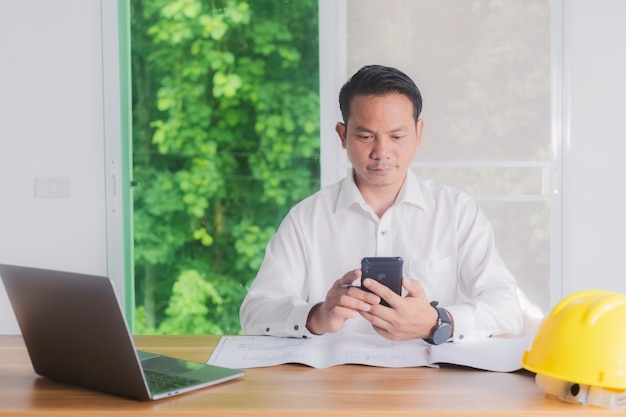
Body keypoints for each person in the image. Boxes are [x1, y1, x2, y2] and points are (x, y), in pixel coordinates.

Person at [239, 64, 524, 343]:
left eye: (397, 136)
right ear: (342, 135)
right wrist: (317, 316)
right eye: (365, 136)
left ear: (419, 133)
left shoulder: (457, 211)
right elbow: (255, 312)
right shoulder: (307, 218)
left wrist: (439, 321)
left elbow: (507, 308)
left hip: (432, 385)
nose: (381, 152)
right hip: (333, 386)